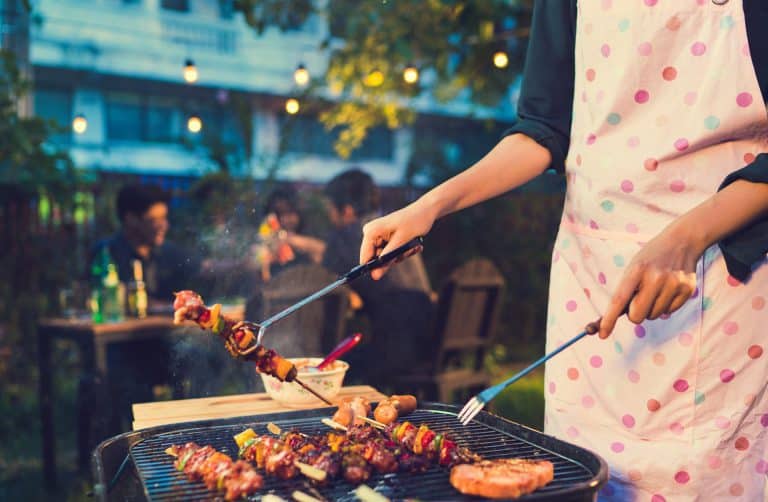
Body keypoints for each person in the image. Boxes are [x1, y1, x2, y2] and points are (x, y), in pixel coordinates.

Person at [359, 2, 768, 500]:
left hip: (720, 285)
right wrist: (430, 206)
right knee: (580, 480)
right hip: (589, 282)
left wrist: (686, 238)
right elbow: (543, 128)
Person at [323, 168, 435, 388]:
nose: (330, 217)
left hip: (394, 352)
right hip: (425, 344)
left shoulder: (347, 236)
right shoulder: (394, 230)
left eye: (330, 211)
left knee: (332, 362)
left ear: (346, 211)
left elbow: (325, 280)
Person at [92, 183, 200, 306]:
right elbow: (101, 297)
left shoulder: (169, 252)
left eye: (164, 218)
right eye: (154, 220)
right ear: (131, 219)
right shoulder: (106, 254)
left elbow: (203, 268)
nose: (164, 226)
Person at [253, 186, 326, 281]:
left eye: (289, 213)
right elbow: (264, 279)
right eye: (279, 214)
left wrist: (291, 240)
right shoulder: (267, 240)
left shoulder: (311, 233)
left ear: (299, 212)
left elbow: (324, 252)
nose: (284, 220)